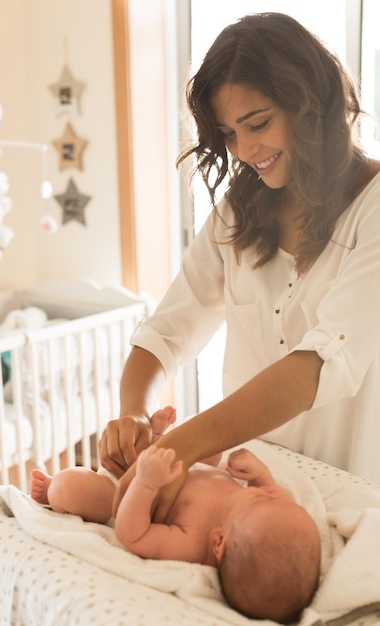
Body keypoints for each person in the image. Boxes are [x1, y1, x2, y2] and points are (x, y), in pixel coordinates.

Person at [98, 12, 380, 520]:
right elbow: (165, 332)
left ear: (310, 105)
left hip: (349, 502)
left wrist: (181, 445)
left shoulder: (374, 208)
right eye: (229, 134)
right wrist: (134, 413)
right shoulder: (239, 211)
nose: (245, 151)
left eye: (259, 124)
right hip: (252, 492)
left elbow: (316, 365)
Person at [31, 436, 321, 622]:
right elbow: (270, 495)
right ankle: (155, 436)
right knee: (211, 444)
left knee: (68, 490)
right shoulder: (256, 514)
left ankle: (50, 489)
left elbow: (133, 534)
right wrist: (259, 475)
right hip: (179, 464)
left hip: (129, 494)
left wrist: (145, 483)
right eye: (280, 498)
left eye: (261, 497)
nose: (274, 493)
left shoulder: (193, 543)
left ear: (219, 542)